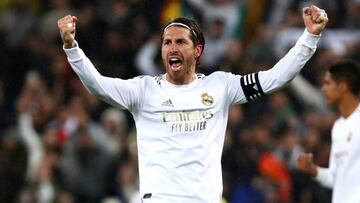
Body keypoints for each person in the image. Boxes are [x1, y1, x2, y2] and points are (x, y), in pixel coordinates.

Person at [58, 5, 328, 203]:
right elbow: (98, 85)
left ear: (197, 50)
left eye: (180, 42)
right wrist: (72, 47)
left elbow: (274, 79)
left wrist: (309, 38)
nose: (172, 48)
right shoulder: (143, 90)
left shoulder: (221, 86)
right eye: (167, 43)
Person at [297, 60, 360, 203]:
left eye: (328, 83)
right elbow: (335, 178)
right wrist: (314, 170)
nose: (323, 89)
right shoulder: (338, 127)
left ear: (343, 87)